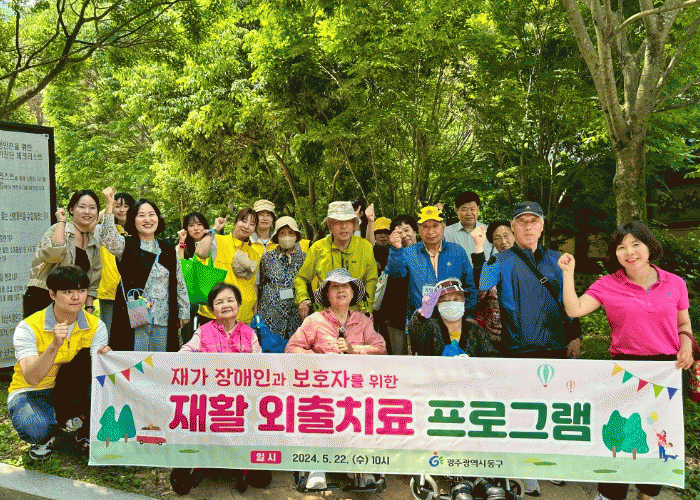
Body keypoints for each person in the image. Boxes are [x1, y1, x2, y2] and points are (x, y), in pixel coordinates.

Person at [558, 221, 694, 500]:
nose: (629, 252)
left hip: (667, 371)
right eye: (621, 247)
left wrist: (687, 346)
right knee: (619, 435)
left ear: (649, 247)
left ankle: (648, 493)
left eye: (636, 244)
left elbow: (683, 323)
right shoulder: (607, 284)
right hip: (624, 370)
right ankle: (611, 493)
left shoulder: (675, 283)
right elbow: (574, 309)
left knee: (658, 434)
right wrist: (568, 274)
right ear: (615, 253)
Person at [285, 268, 386, 490]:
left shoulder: (363, 321)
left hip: (355, 388)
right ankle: (316, 467)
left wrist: (354, 349)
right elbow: (292, 348)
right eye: (335, 287)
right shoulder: (314, 320)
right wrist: (319, 360)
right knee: (316, 409)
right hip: (321, 387)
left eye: (345, 286)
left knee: (365, 408)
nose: (341, 290)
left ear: (353, 293)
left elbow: (380, 347)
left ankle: (359, 465)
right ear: (326, 295)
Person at [8, 266, 110, 460]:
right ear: (52, 294)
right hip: (32, 391)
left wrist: (107, 360)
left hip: (69, 388)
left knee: (105, 389)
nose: (76, 297)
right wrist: (54, 345)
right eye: (68, 292)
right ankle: (51, 429)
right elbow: (32, 378)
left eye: (81, 290)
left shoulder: (96, 326)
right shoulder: (28, 327)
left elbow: (98, 376)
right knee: (36, 428)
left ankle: (83, 430)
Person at [479, 201, 580, 359]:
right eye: (522, 222)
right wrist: (478, 250)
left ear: (542, 225)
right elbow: (481, 284)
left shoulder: (556, 259)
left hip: (557, 346)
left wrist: (575, 336)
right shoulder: (499, 261)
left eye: (534, 221)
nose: (528, 227)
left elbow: (568, 299)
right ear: (513, 226)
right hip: (518, 350)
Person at [100, 187, 190, 351]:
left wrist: (184, 310)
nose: (147, 220)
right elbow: (107, 237)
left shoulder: (167, 249)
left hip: (163, 319)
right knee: (136, 362)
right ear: (133, 219)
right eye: (141, 215)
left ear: (158, 218)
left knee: (159, 362)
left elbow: (179, 280)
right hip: (134, 319)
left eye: (151, 214)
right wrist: (108, 206)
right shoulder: (126, 245)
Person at [386, 206, 477, 326]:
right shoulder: (409, 252)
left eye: (435, 226)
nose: (430, 232)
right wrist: (396, 250)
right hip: (421, 321)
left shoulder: (457, 251)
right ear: (418, 229)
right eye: (425, 227)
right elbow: (396, 274)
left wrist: (469, 315)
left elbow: (470, 286)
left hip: (453, 320)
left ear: (443, 226)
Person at [24, 190, 102, 318]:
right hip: (42, 297)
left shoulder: (93, 243)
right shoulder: (58, 229)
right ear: (71, 209)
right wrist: (61, 221)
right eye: (82, 207)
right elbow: (53, 255)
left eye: (92, 208)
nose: (87, 212)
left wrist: (89, 308)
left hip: (70, 303)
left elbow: (93, 280)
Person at [294, 201, 377, 320]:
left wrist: (367, 308)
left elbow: (371, 280)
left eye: (348, 222)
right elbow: (301, 278)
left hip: (357, 315)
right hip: (325, 316)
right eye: (338, 222)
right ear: (329, 225)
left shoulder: (365, 247)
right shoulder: (318, 248)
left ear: (354, 224)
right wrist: (303, 299)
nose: (344, 226)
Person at [196, 208, 262, 325]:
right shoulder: (218, 241)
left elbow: (255, 286)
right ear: (235, 222)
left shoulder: (254, 254)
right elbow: (200, 252)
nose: (246, 226)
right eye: (243, 221)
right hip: (215, 315)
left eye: (252, 224)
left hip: (244, 316)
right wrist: (215, 228)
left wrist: (255, 313)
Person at [407, 278, 499, 357]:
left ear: (463, 301)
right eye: (445, 300)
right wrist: (423, 312)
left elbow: (491, 357)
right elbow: (415, 331)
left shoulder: (475, 330)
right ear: (438, 304)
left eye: (456, 299)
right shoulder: (429, 328)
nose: (451, 303)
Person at [373, 215, 418, 354]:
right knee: (398, 359)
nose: (403, 235)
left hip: (422, 316)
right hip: (395, 319)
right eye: (398, 232)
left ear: (415, 231)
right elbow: (371, 245)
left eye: (406, 230)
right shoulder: (388, 252)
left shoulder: (427, 253)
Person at [257, 216, 307, 339]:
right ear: (277, 236)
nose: (286, 236)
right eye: (282, 233)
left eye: (290, 232)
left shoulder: (304, 258)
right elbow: (261, 285)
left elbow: (308, 285)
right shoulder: (267, 258)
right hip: (270, 315)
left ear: (296, 235)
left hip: (295, 315)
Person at [469, 220, 514, 352]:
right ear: (492, 243)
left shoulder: (527, 262)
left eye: (506, 236)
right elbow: (479, 281)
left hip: (521, 335)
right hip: (493, 337)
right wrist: (479, 246)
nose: (503, 241)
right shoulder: (492, 264)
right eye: (497, 238)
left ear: (515, 235)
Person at [96, 192, 135, 341]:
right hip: (109, 290)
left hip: (134, 292)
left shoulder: (139, 231)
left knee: (133, 334)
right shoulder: (105, 230)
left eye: (126, 206)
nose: (122, 210)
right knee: (109, 334)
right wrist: (108, 205)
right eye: (118, 206)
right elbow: (90, 223)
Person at [180, 283, 261, 353]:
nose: (225, 305)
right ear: (211, 309)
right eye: (219, 302)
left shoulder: (249, 334)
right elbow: (183, 354)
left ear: (239, 304)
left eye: (230, 301)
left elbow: (259, 361)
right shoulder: (203, 332)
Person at [177, 212, 220, 344]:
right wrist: (182, 242)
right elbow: (179, 266)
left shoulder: (213, 243)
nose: (196, 228)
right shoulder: (182, 246)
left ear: (205, 227)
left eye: (199, 224)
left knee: (210, 341)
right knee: (189, 341)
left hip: (208, 301)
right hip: (188, 301)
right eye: (191, 225)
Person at [444, 191, 493, 259]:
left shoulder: (489, 231)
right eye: (464, 210)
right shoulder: (446, 232)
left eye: (472, 209)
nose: (469, 213)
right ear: (457, 210)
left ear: (478, 209)